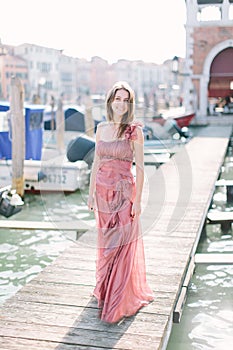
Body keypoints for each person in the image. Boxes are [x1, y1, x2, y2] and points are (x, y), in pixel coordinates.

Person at [87, 81, 154, 324]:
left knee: (122, 246)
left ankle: (119, 298)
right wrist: (90, 192)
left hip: (125, 192)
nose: (121, 104)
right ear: (110, 101)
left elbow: (142, 168)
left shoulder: (134, 130)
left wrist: (137, 200)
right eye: (118, 99)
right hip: (103, 194)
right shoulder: (101, 128)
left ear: (130, 104)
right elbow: (96, 162)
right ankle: (106, 290)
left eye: (126, 100)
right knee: (106, 244)